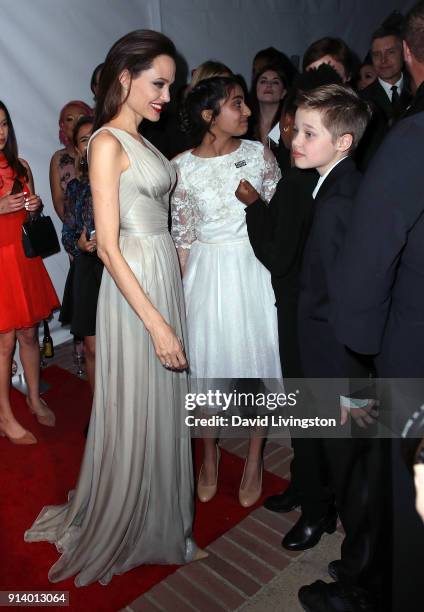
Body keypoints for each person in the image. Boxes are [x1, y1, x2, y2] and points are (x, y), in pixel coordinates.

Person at [25, 29, 205, 586]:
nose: (166, 98)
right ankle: (132, 519)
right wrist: (155, 323)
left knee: (162, 405)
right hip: (133, 293)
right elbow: (106, 242)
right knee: (136, 404)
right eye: (158, 84)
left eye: (170, 86)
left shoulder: (144, 139)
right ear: (124, 78)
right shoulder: (106, 143)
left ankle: (165, 521)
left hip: (158, 279)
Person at [276, 85, 382, 612]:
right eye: (295, 127)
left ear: (342, 142)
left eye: (308, 132)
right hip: (337, 360)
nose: (294, 138)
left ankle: (362, 577)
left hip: (338, 366)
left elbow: (349, 294)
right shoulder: (333, 185)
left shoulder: (339, 202)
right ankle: (361, 559)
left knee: (354, 474)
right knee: (353, 470)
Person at [332, 4, 424, 608]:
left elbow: (366, 266)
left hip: (415, 348)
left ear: (411, 55)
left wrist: (365, 345)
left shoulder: (412, 136)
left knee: (409, 498)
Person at [171, 76, 281, 508]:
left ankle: (254, 457)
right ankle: (210, 455)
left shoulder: (259, 156)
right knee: (207, 370)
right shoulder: (181, 167)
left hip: (255, 271)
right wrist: (175, 300)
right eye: (237, 104)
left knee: (259, 365)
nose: (248, 111)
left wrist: (257, 205)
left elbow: (277, 225)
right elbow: (182, 237)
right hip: (206, 273)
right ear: (209, 116)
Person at [0, 101, 59, 444]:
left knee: (28, 335)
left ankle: (34, 398)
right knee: (4, 343)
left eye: (5, 123)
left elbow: (30, 219)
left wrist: (33, 206)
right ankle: (6, 417)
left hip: (23, 261)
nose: (2, 131)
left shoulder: (20, 166)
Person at [61, 116, 101, 392]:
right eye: (84, 139)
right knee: (93, 349)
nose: (91, 143)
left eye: (96, 135)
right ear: (77, 149)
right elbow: (68, 233)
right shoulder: (75, 188)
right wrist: (81, 244)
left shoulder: (122, 180)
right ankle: (102, 416)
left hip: (120, 267)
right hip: (88, 270)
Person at [49, 100, 93, 222]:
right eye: (70, 119)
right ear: (62, 125)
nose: (76, 123)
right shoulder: (58, 158)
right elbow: (58, 200)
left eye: (81, 117)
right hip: (76, 233)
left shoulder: (102, 153)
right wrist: (76, 231)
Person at [248, 64, 287, 154]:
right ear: (255, 89)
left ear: (283, 92)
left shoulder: (289, 126)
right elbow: (237, 163)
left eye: (275, 82)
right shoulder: (246, 124)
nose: (269, 85)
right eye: (263, 81)